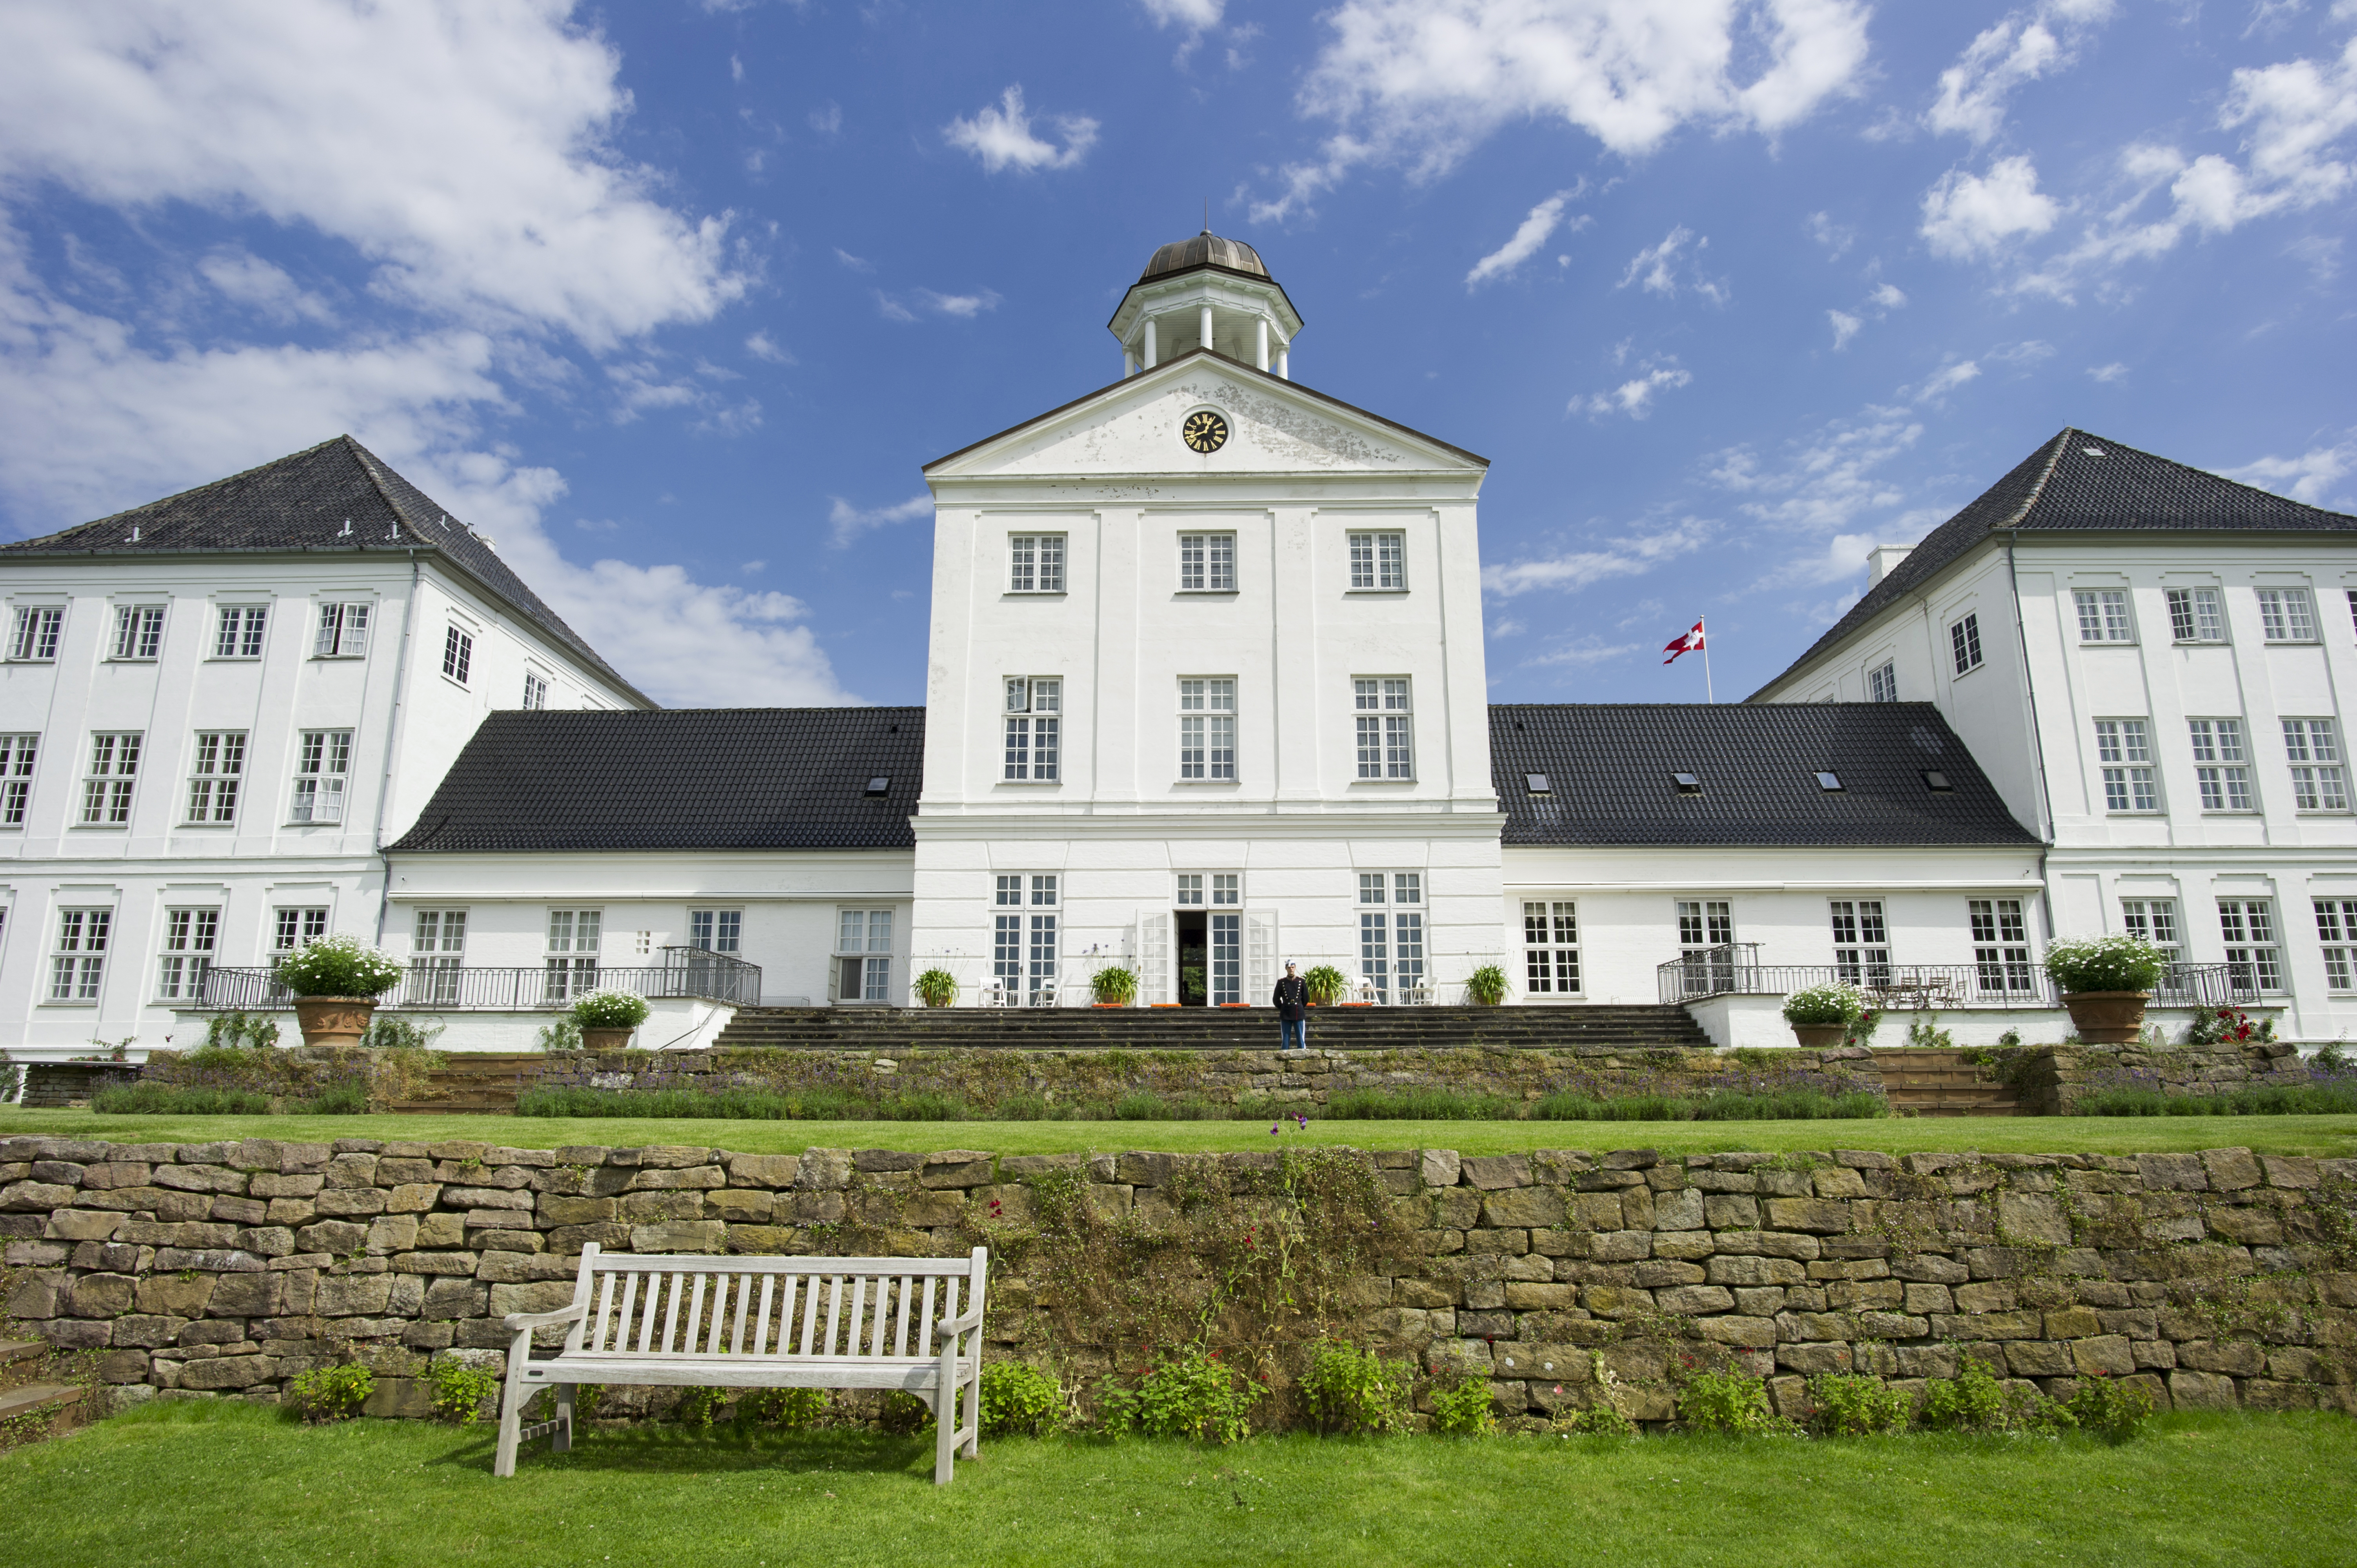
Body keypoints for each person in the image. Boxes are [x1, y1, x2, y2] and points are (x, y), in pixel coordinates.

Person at [1273, 962, 1309, 1052]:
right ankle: (1284, 1057)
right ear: (1286, 969)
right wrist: (1283, 1008)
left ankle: (1302, 1056)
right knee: (1285, 1038)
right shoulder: (1281, 982)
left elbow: (1306, 998)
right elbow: (1276, 999)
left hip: (1298, 1012)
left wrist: (1300, 1006)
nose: (1291, 969)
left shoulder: (1301, 981)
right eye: (1289, 968)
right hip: (1286, 1012)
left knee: (1301, 1038)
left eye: (1293, 967)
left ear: (1295, 968)